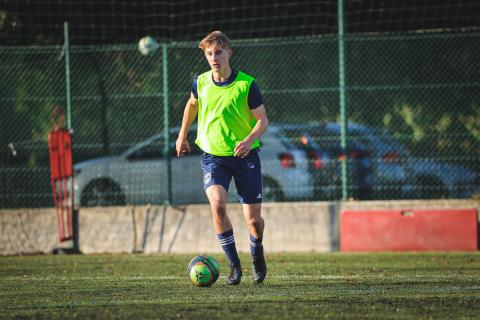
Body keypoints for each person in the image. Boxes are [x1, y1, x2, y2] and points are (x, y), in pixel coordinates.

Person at [176, 31, 269, 285]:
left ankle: (257, 251)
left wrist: (248, 141)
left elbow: (263, 121)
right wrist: (182, 135)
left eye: (218, 52)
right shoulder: (201, 82)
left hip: (245, 156)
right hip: (213, 156)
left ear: (229, 52)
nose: (214, 58)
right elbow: (192, 104)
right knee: (217, 205)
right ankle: (234, 266)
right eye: (209, 54)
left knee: (253, 221)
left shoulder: (246, 85)